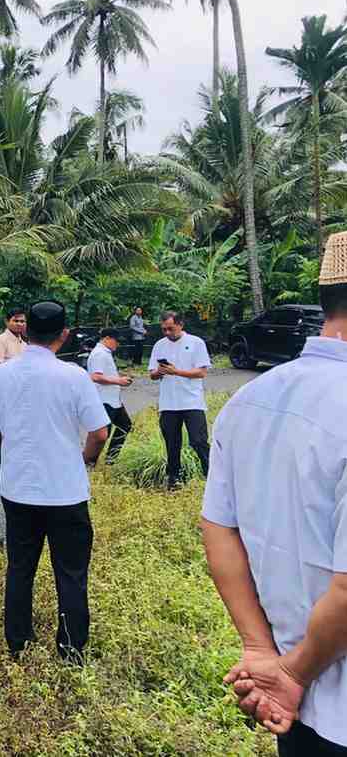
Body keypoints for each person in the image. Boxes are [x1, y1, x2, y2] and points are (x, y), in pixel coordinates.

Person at [201, 232, 347, 756]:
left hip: (295, 707)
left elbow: (218, 527)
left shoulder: (249, 399)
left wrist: (263, 650)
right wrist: (292, 670)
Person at [0, 301, 110, 661]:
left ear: (26, 331)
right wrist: (84, 458)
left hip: (18, 488)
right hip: (65, 490)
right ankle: (71, 648)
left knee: (20, 565)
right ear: (64, 334)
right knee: (70, 571)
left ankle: (18, 641)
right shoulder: (73, 376)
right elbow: (99, 433)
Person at [149, 311, 211, 489]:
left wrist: (177, 372)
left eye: (170, 328)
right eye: (164, 329)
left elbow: (201, 372)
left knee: (198, 441)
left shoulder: (196, 343)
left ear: (180, 324)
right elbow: (152, 374)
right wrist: (159, 372)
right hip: (168, 403)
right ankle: (174, 478)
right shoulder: (159, 345)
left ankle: (211, 474)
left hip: (192, 401)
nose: (167, 333)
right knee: (172, 442)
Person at [0, 308, 27, 488]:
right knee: (1, 437)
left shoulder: (24, 343)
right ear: (7, 321)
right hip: (6, 395)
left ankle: (13, 473)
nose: (20, 324)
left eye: (23, 321)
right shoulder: (0, 341)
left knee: (18, 437)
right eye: (16, 321)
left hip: (22, 396)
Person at [87, 328, 134, 464]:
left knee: (124, 425)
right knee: (101, 435)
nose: (117, 344)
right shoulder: (99, 354)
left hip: (113, 400)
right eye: (116, 341)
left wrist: (120, 378)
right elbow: (96, 376)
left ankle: (110, 459)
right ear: (107, 338)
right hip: (103, 400)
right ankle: (90, 462)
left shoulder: (105, 353)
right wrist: (118, 381)